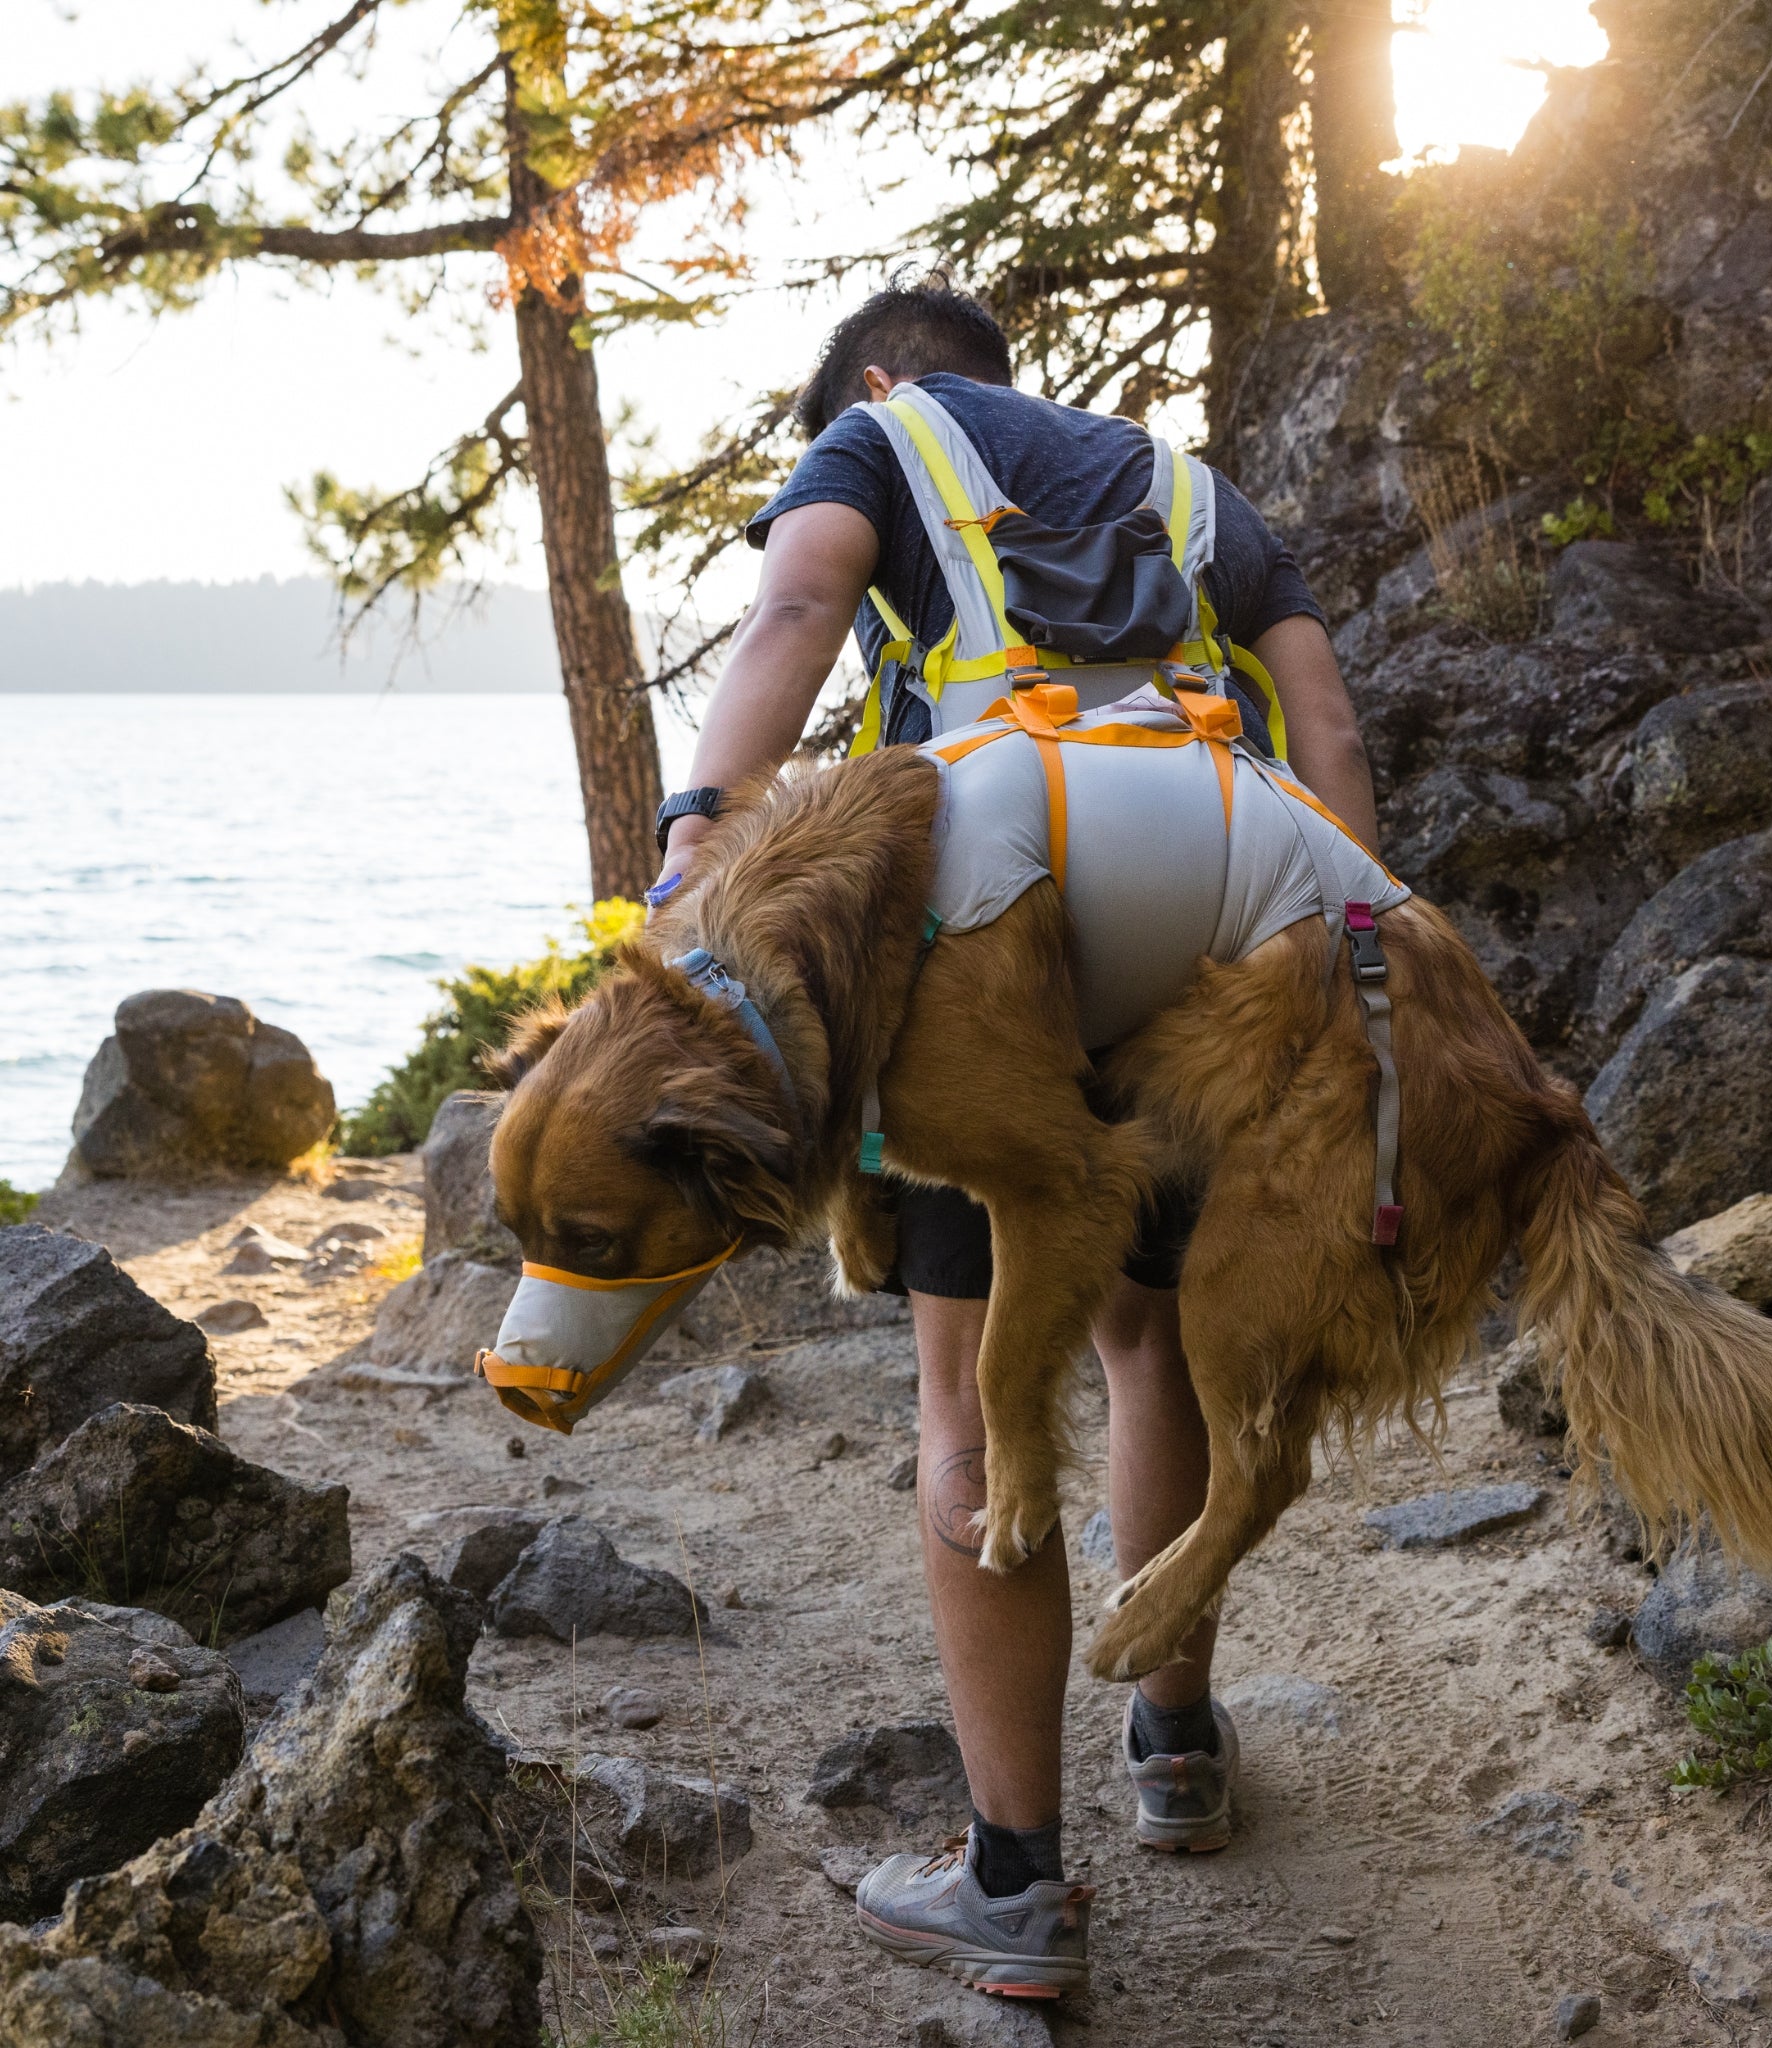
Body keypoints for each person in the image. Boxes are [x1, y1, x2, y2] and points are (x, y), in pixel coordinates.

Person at [649, 278, 1379, 1997]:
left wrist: (692, 837)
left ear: (885, 386)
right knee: (1144, 1342)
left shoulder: (878, 436)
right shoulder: (1185, 487)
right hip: (1214, 935)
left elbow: (793, 615)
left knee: (970, 1387)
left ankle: (1014, 1880)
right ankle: (1177, 1739)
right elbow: (1327, 732)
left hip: (998, 944)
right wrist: (1360, 962)